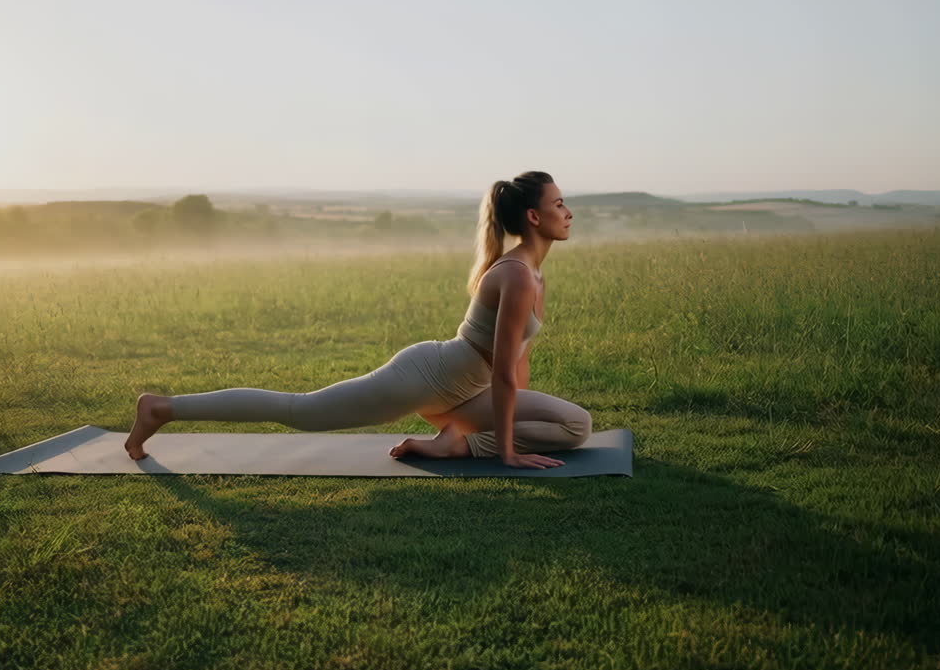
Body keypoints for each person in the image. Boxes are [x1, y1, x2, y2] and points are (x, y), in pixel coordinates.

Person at [123, 171, 591, 469]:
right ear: (533, 216)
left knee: (576, 425)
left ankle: (455, 444)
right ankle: (162, 408)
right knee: (301, 411)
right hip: (425, 377)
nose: (568, 213)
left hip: (468, 391)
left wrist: (500, 428)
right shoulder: (516, 275)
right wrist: (507, 451)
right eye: (558, 205)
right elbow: (506, 371)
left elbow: (515, 369)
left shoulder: (535, 275)